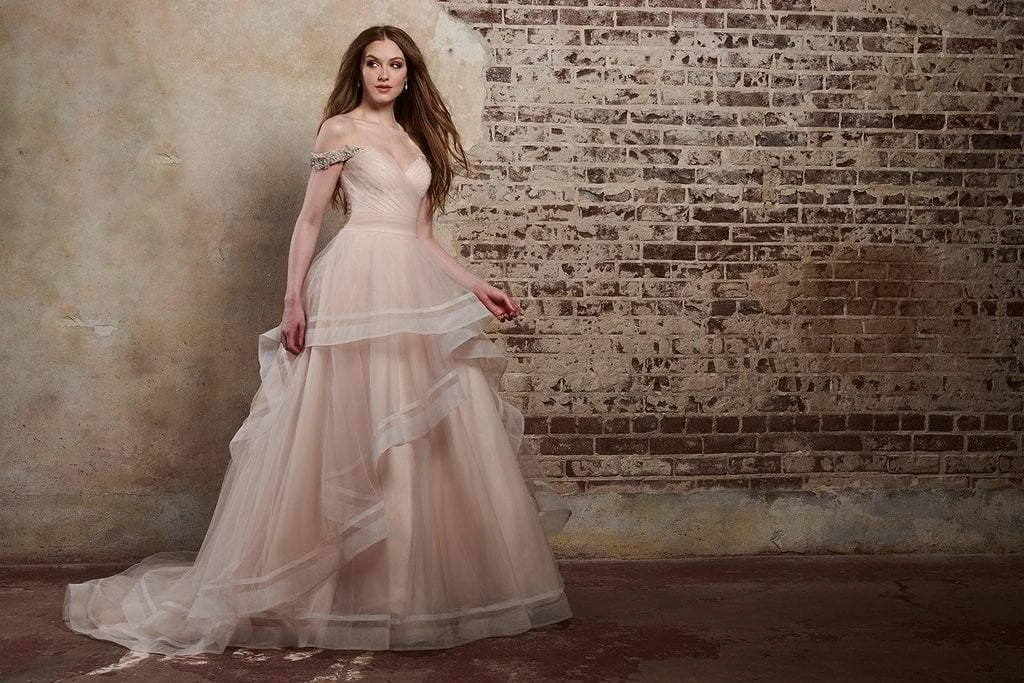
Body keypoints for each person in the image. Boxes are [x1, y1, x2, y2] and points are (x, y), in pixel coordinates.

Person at [63, 25, 573, 656]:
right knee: (350, 421)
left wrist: (477, 286)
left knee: (421, 428)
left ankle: (412, 592)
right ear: (358, 71)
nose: (383, 74)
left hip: (409, 286)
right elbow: (309, 220)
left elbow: (421, 238)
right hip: (355, 281)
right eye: (372, 63)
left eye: (395, 65)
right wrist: (293, 299)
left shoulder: (417, 139)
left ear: (409, 75)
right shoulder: (337, 130)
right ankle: (330, 588)